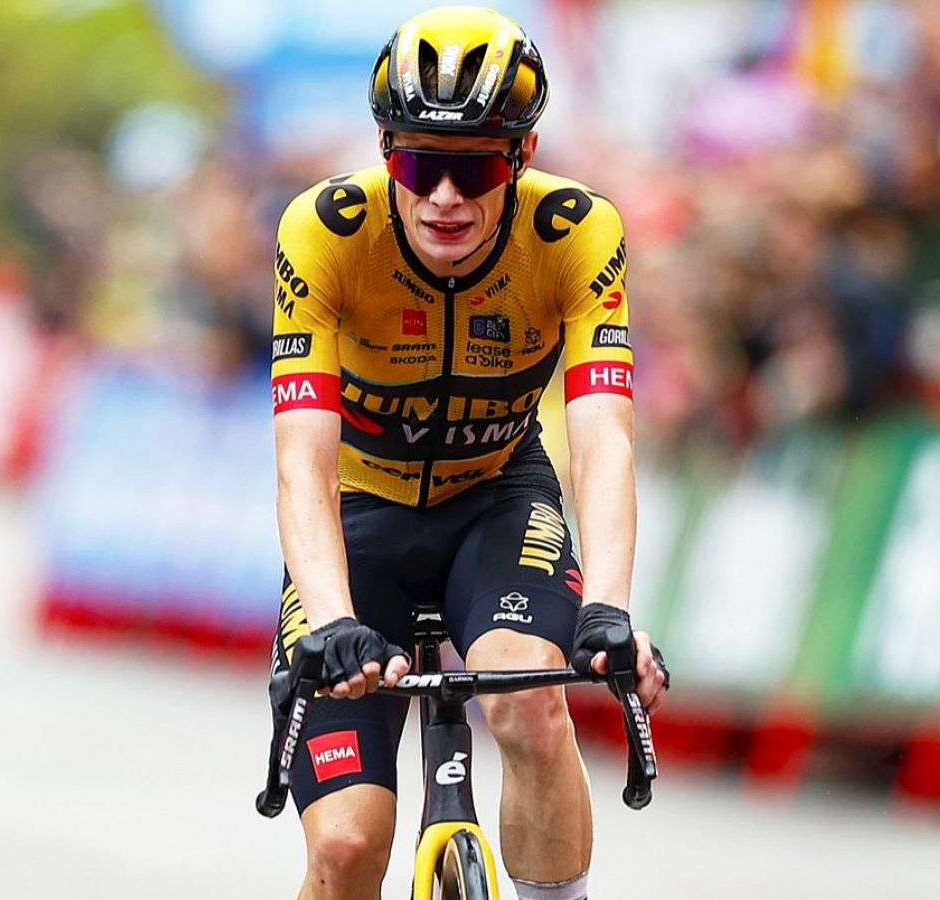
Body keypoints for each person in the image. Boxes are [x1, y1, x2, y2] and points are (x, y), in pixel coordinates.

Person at [268, 7, 668, 899]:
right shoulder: (325, 230)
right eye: (419, 165)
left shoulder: (574, 232)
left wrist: (608, 607)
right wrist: (331, 620)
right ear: (384, 155)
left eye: (474, 168)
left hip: (496, 500)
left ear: (520, 160)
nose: (444, 197)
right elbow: (304, 461)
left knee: (529, 698)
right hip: (361, 520)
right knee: (344, 848)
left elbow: (603, 436)